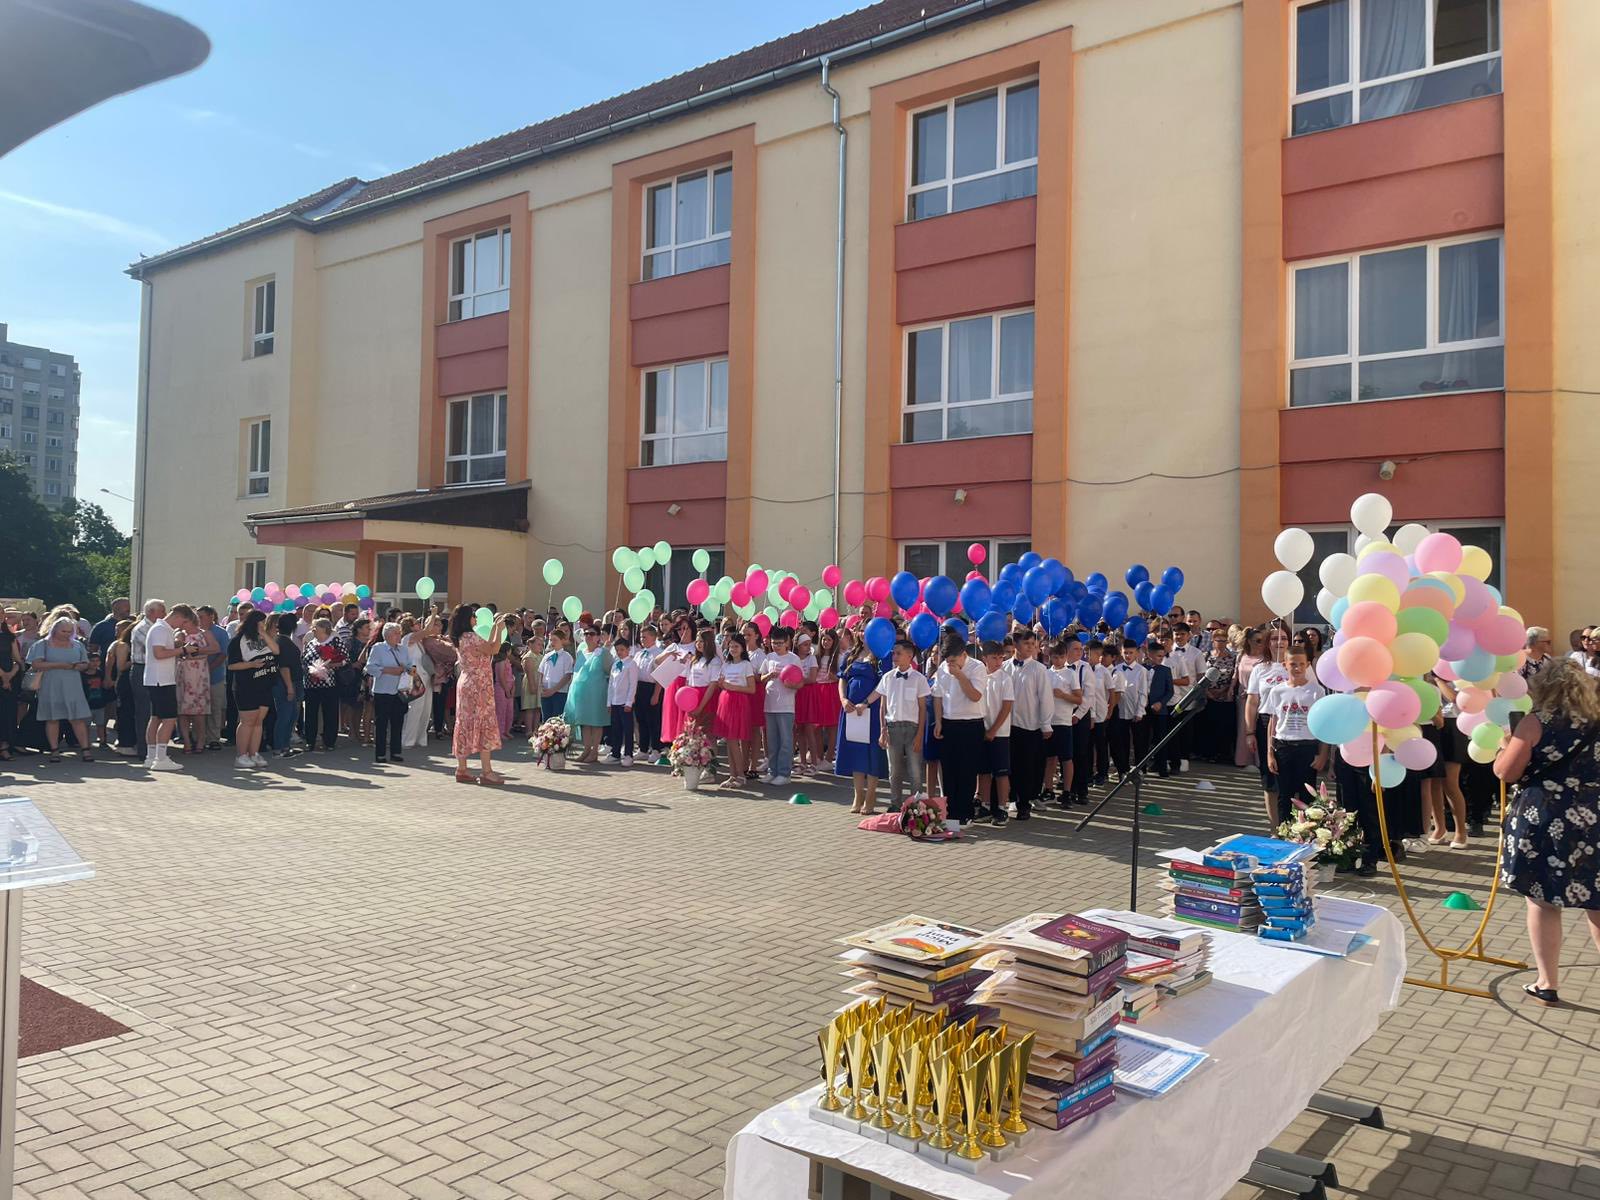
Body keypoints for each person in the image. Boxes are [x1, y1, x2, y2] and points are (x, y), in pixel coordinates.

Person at [1494, 657, 1600, 1007]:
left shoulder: (1535, 722)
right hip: (1592, 817)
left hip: (1544, 817)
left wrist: (1503, 748)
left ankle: (1547, 983)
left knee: (1541, 900)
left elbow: (1507, 772)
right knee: (1597, 900)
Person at [1263, 641, 1327, 827]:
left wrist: (1322, 753)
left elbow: (1323, 724)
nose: (1297, 668)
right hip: (1283, 747)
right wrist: (1270, 753)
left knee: (1307, 795)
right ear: (1285, 665)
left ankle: (1308, 832)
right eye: (1293, 664)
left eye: (1301, 664)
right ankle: (1284, 831)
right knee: (1285, 794)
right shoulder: (1277, 691)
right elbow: (1273, 722)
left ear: (1308, 665)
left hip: (1307, 747)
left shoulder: (1316, 691)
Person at [449, 603, 506, 785]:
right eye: (474, 615)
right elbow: (494, 649)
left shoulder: (460, 637)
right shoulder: (471, 637)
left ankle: (461, 769)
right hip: (479, 685)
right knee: (484, 723)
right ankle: (487, 772)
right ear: (468, 619)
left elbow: (487, 646)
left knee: (464, 723)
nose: (476, 618)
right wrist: (498, 629)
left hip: (466, 683)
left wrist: (494, 630)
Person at [24, 616, 94, 762]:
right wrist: (60, 665)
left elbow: (85, 663)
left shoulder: (77, 645)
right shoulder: (42, 645)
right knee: (52, 718)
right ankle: (54, 750)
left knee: (77, 718)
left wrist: (79, 666)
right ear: (55, 629)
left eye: (70, 631)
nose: (67, 634)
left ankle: (86, 750)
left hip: (73, 686)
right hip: (50, 686)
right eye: (64, 631)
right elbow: (36, 664)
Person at [835, 634, 887, 814]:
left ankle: (871, 795)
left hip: (871, 710)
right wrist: (843, 699)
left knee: (872, 752)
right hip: (851, 710)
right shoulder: (850, 654)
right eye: (862, 631)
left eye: (868, 631)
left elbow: (883, 685)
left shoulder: (881, 656)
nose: (865, 634)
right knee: (856, 751)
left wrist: (866, 702)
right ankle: (858, 795)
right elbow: (842, 679)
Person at [1244, 625, 1291, 821]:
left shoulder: (1300, 666)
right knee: (1270, 779)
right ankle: (1275, 828)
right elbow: (1252, 702)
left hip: (1292, 725)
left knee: (1291, 779)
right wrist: (1250, 732)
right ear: (1266, 643)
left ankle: (1295, 827)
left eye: (1284, 638)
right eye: (1274, 638)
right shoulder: (1260, 669)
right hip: (1265, 724)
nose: (1279, 642)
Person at [1004, 629, 1052, 820]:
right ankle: (1012, 798)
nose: (1031, 647)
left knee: (1027, 767)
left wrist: (1045, 724)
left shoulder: (1039, 669)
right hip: (1008, 725)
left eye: (1033, 644)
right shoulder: (1005, 667)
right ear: (1016, 645)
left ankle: (1024, 804)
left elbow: (1045, 698)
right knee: (1011, 765)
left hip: (1029, 725)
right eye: (1026, 643)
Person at [876, 638, 930, 809]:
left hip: (912, 728)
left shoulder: (919, 678)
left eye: (898, 653)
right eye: (894, 653)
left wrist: (920, 734)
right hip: (893, 728)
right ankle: (895, 804)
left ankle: (916, 807)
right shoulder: (887, 677)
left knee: (915, 771)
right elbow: (883, 706)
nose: (895, 656)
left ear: (909, 656)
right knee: (894, 770)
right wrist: (883, 730)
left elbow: (922, 708)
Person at [226, 609, 279, 770]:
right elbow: (232, 665)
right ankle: (241, 755)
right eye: (261, 622)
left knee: (258, 721)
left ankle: (253, 753)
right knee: (247, 721)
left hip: (265, 684)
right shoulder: (238, 640)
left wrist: (264, 634)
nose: (264, 624)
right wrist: (251, 664)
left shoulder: (265, 637)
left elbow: (276, 651)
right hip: (246, 685)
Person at [141, 600, 185, 771]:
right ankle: (160, 758)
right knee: (169, 718)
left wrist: (177, 648)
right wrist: (182, 650)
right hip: (161, 680)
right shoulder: (160, 629)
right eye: (183, 622)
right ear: (179, 616)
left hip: (158, 679)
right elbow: (159, 653)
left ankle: (151, 756)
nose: (182, 626)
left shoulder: (161, 628)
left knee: (156, 718)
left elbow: (161, 652)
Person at [976, 641, 1015, 825]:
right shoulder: (979, 677)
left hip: (1000, 733)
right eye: (994, 658)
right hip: (981, 730)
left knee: (1001, 772)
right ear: (985, 658)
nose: (999, 661)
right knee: (983, 771)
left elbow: (1006, 707)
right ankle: (984, 805)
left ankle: (1002, 808)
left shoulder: (1005, 679)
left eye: (1001, 658)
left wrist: (993, 729)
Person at [366, 622, 415, 764]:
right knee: (381, 723)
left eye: (399, 633)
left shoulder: (403, 649)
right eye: (396, 633)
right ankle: (380, 753)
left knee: (397, 722)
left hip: (399, 691)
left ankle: (395, 751)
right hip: (383, 690)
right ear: (387, 635)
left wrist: (410, 671)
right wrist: (388, 670)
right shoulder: (378, 648)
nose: (399, 636)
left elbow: (410, 666)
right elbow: (370, 667)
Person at [760, 625, 803, 786]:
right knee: (772, 741)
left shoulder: (793, 659)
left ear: (787, 643)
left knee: (785, 740)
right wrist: (768, 675)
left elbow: (800, 682)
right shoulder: (769, 657)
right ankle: (772, 771)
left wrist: (792, 685)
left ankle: (784, 773)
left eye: (779, 643)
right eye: (774, 643)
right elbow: (761, 677)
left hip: (786, 705)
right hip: (770, 704)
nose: (776, 646)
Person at [565, 625, 614, 764]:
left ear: (598, 637)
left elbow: (611, 671)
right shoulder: (581, 651)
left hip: (597, 692)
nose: (588, 636)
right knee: (585, 722)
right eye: (586, 634)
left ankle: (594, 752)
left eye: (592, 634)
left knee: (596, 722)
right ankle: (586, 749)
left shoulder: (603, 652)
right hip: (581, 693)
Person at [713, 633, 757, 787]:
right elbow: (722, 682)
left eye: (736, 646)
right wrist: (722, 684)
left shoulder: (746, 665)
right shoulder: (726, 664)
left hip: (739, 703)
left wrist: (733, 687)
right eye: (731, 646)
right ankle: (732, 775)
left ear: (742, 648)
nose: (733, 649)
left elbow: (752, 689)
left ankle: (740, 775)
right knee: (729, 741)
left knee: (733, 740)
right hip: (725, 702)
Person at [1044, 637, 1082, 805]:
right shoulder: (1046, 673)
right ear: (1050, 657)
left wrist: (1063, 695)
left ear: (1066, 656)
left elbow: (1079, 699)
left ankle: (1067, 791)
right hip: (1049, 722)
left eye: (1061, 657)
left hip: (1064, 722)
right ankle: (1048, 789)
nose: (1058, 660)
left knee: (1066, 759)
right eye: (1055, 657)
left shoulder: (1071, 674)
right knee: (1049, 758)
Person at [1166, 623, 1205, 773]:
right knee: (1170, 730)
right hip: (1170, 697)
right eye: (1176, 634)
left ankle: (1184, 759)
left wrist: (1200, 696)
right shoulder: (1167, 652)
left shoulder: (1196, 653)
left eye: (1182, 634)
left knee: (1185, 730)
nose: (1179, 637)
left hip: (1188, 697)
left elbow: (1201, 676)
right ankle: (1170, 759)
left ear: (1189, 635)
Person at [174, 617, 217, 755]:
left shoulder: (205, 633)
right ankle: (186, 741)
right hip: (183, 672)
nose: (182, 624)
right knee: (183, 710)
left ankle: (200, 740)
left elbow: (216, 648)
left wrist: (197, 650)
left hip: (199, 673)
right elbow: (174, 647)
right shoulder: (179, 634)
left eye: (184, 621)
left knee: (199, 710)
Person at [130, 598, 165, 760]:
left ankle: (155, 747)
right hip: (142, 669)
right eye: (162, 610)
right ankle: (144, 750)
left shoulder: (157, 628)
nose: (165, 614)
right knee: (144, 711)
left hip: (153, 669)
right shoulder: (143, 628)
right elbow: (155, 650)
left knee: (155, 710)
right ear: (151, 612)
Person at [1108, 640, 1149, 780]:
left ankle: (1140, 769)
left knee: (1139, 742)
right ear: (1121, 652)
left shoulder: (1142, 671)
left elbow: (1143, 692)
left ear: (1137, 653)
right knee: (1122, 741)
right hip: (1120, 711)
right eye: (1125, 652)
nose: (1128, 655)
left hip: (1136, 711)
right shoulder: (1116, 669)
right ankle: (1123, 770)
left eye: (1131, 653)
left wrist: (1139, 711)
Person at [301, 618, 343, 751]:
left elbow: (345, 660)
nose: (313, 631)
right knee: (310, 714)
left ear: (324, 629)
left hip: (329, 684)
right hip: (311, 684)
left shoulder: (335, 641)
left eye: (316, 628)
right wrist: (310, 670)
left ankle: (329, 741)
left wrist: (329, 665)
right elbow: (303, 659)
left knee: (330, 713)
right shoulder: (311, 643)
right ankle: (310, 741)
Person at [271, 613, 305, 758]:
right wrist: (290, 687)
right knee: (285, 716)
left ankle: (285, 746)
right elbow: (283, 667)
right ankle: (279, 748)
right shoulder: (283, 643)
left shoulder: (280, 641)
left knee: (291, 715)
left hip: (288, 682)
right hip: (286, 683)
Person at [400, 617, 436, 750]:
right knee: (415, 709)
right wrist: (433, 614)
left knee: (426, 710)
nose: (418, 625)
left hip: (425, 678)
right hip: (415, 678)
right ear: (410, 627)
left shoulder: (419, 641)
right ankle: (408, 740)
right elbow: (428, 630)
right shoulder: (408, 638)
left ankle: (421, 738)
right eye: (415, 623)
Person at [606, 633, 641, 766]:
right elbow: (611, 684)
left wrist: (629, 702)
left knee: (627, 729)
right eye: (617, 650)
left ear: (628, 650)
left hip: (625, 702)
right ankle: (615, 753)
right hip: (615, 701)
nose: (620, 652)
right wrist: (609, 702)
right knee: (616, 728)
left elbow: (633, 684)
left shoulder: (631, 664)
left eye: (622, 649)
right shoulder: (616, 664)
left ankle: (628, 754)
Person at [199, 605, 230, 749]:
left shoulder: (220, 633)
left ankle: (213, 738)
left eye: (201, 617)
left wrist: (209, 669)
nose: (199, 619)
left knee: (215, 708)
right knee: (200, 709)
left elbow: (223, 654)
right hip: (197, 679)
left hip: (215, 677)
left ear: (211, 616)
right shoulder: (195, 632)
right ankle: (199, 737)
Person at [632, 624, 664, 758]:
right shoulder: (639, 653)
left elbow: (660, 676)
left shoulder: (659, 653)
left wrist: (656, 694)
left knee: (653, 720)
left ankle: (656, 748)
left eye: (645, 637)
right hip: (639, 687)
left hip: (652, 687)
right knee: (641, 719)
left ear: (653, 637)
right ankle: (643, 748)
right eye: (641, 637)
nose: (642, 639)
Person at [1144, 641, 1174, 778]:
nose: (1161, 659)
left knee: (1160, 738)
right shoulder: (1142, 668)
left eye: (1163, 656)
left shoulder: (1165, 670)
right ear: (1150, 655)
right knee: (1144, 738)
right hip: (1144, 708)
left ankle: (1162, 767)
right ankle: (1142, 767)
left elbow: (1170, 691)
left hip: (1159, 710)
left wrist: (1161, 703)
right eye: (1158, 656)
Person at [538, 629, 574, 723]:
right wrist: (541, 687)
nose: (552, 642)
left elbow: (567, 676)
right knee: (546, 719)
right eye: (551, 640)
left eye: (555, 640)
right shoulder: (547, 656)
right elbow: (541, 672)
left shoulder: (567, 657)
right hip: (545, 691)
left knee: (556, 720)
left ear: (562, 640)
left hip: (559, 692)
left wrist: (553, 690)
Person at [0, 620, 17, 761]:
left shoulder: (9, 636)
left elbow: (17, 659)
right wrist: (4, 677)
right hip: (5, 679)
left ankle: (5, 745)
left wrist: (10, 674)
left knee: (7, 713)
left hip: (10, 679)